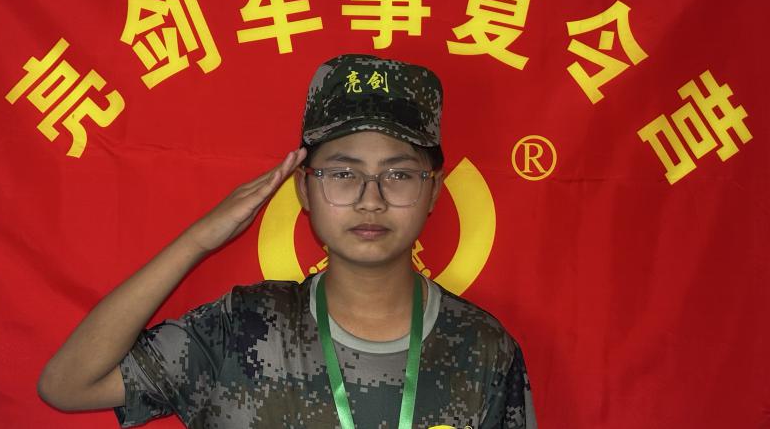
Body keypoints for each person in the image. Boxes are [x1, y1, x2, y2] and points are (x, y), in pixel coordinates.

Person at [38, 54, 537, 429]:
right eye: (343, 173)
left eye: (399, 175)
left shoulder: (483, 348)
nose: (371, 200)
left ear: (434, 190)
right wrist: (197, 241)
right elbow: (67, 385)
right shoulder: (242, 327)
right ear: (304, 188)